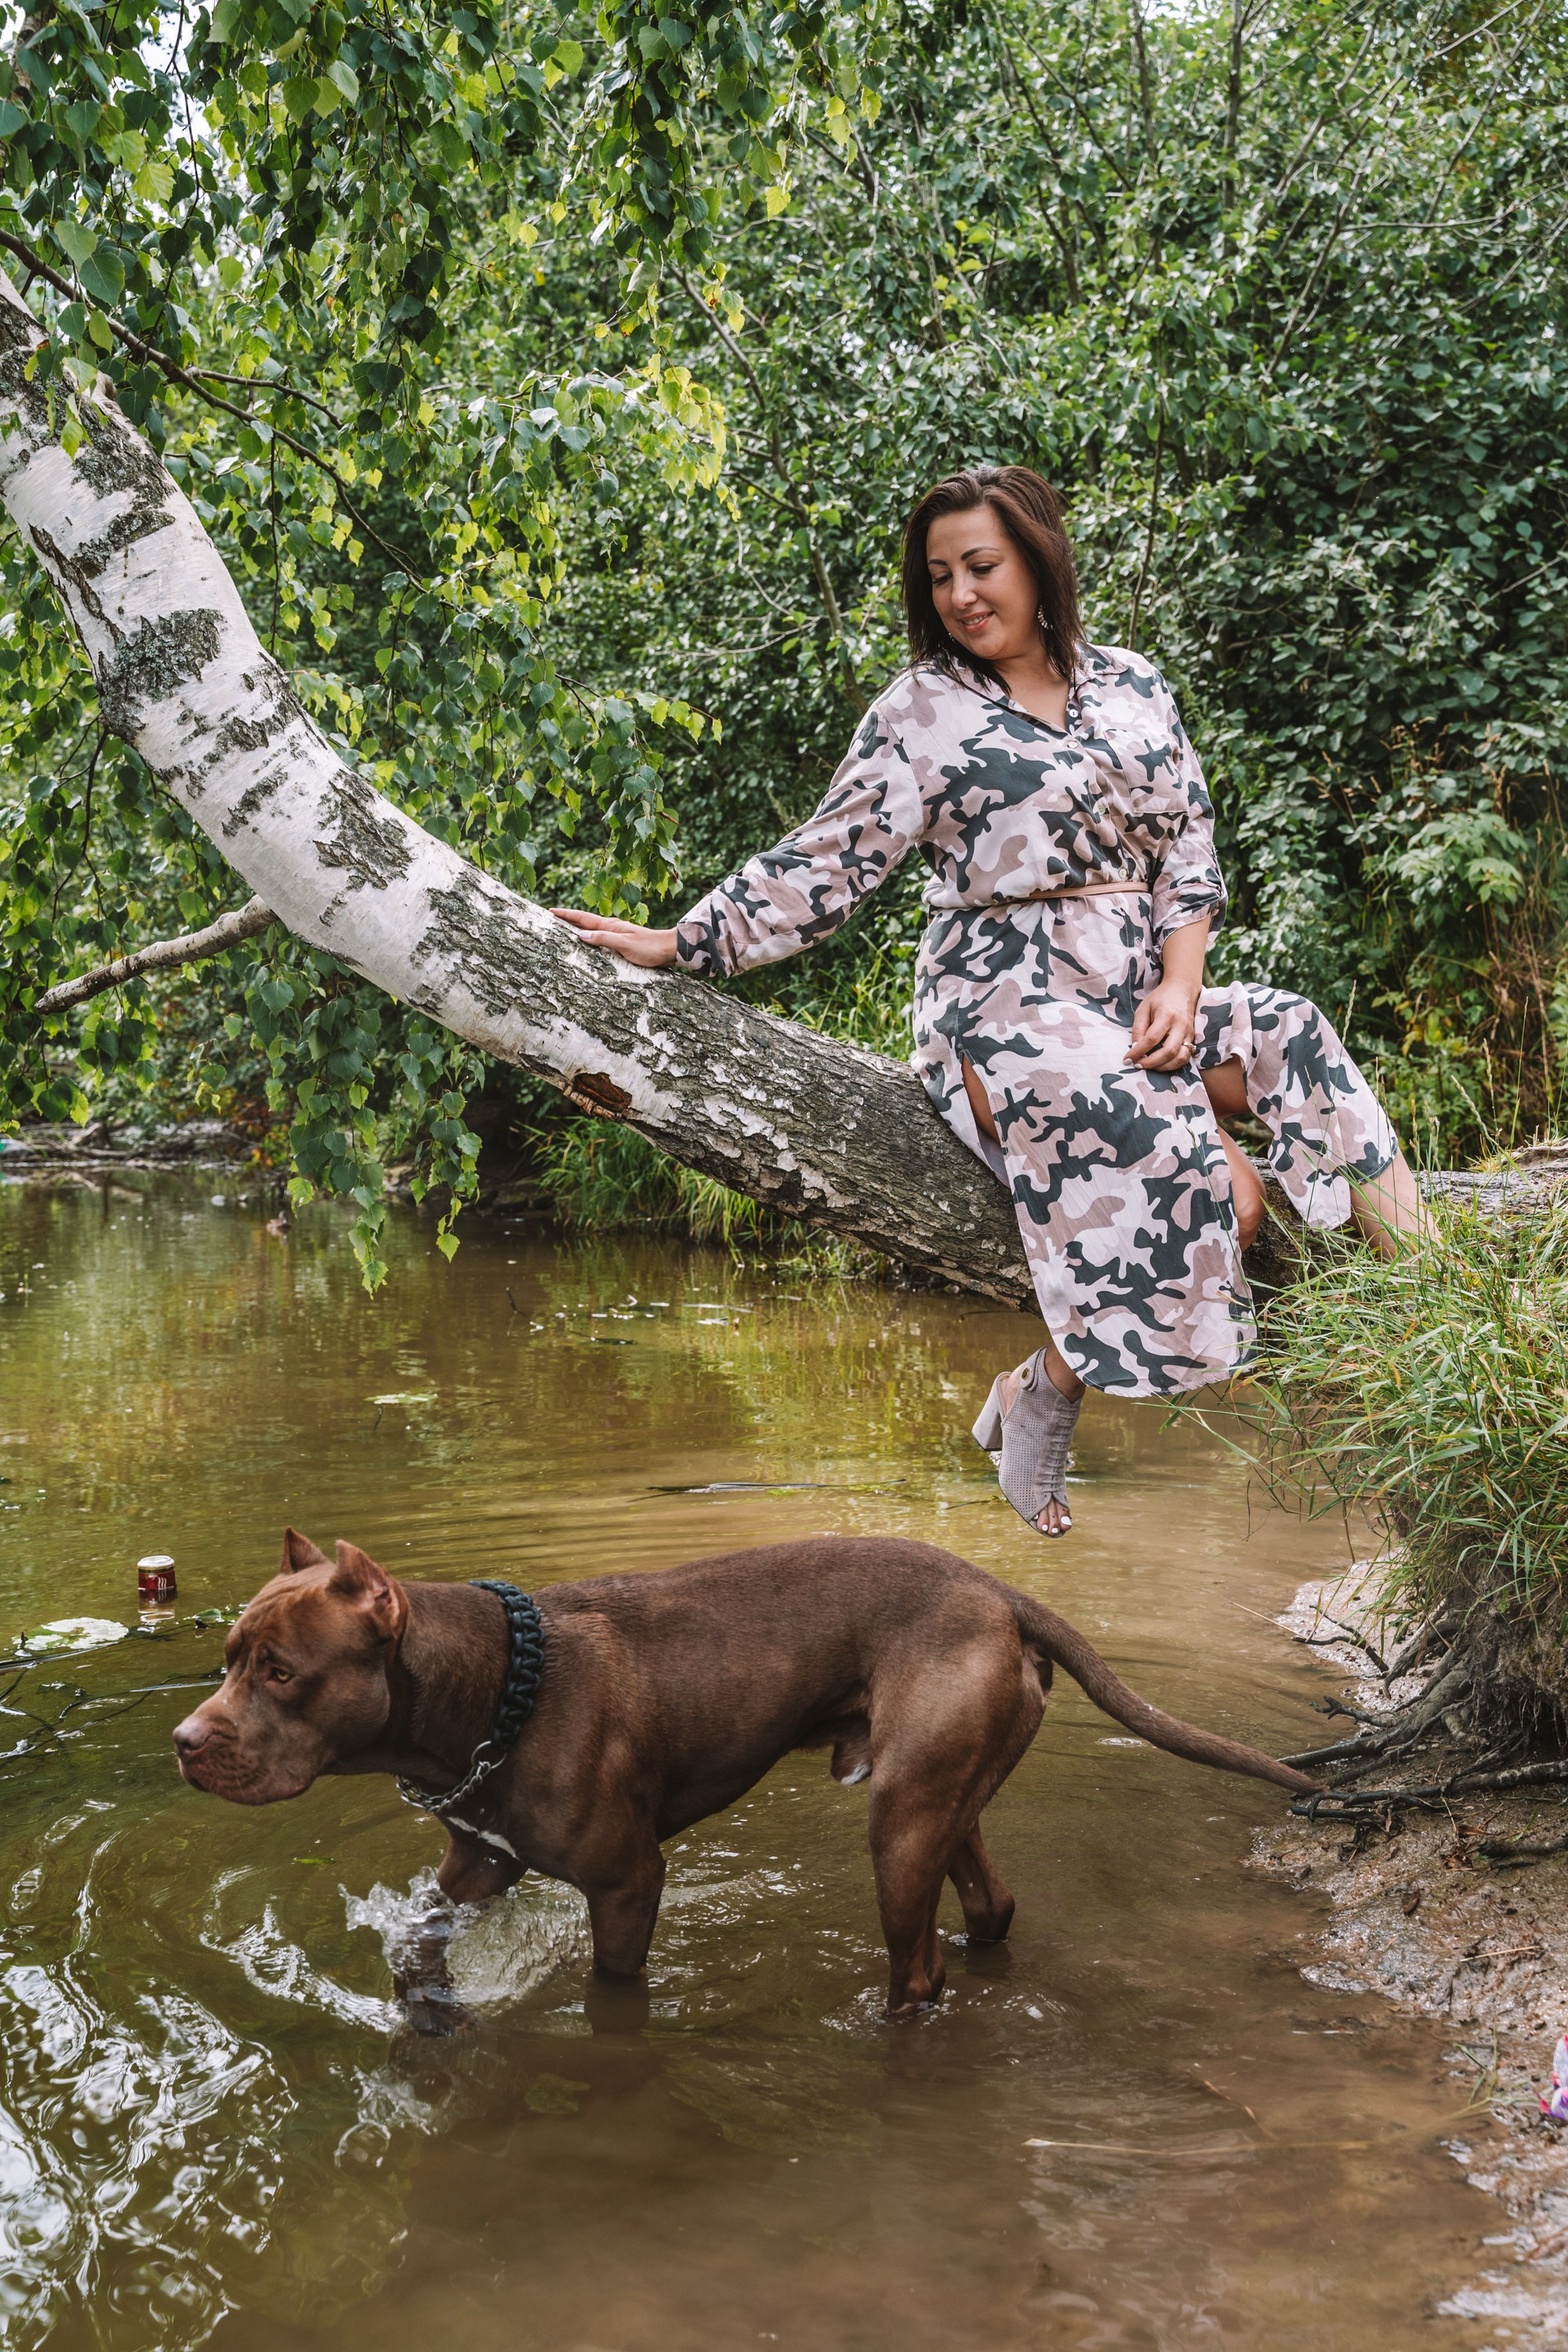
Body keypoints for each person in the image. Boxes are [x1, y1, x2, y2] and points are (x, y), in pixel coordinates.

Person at [556, 466, 1423, 1537]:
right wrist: (683, 940)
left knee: (1291, 1027)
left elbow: (1187, 854)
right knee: (1228, 1194)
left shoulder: (1137, 686)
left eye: (982, 565)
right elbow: (825, 862)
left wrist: (1186, 985)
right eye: (939, 576)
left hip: (1139, 983)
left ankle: (1439, 1310)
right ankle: (1048, 1396)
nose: (961, 593)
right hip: (1002, 997)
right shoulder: (921, 710)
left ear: (1039, 557)